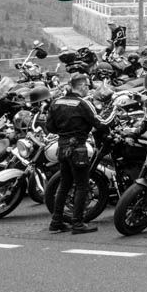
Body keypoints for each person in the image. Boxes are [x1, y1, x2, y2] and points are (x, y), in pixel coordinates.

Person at [45, 71, 110, 234]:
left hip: (62, 147)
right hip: (78, 148)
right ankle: (78, 223)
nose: (89, 89)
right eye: (87, 86)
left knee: (64, 184)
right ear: (80, 86)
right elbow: (100, 123)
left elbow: (50, 127)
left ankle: (56, 222)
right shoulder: (83, 104)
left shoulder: (56, 102)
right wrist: (114, 112)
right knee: (82, 185)